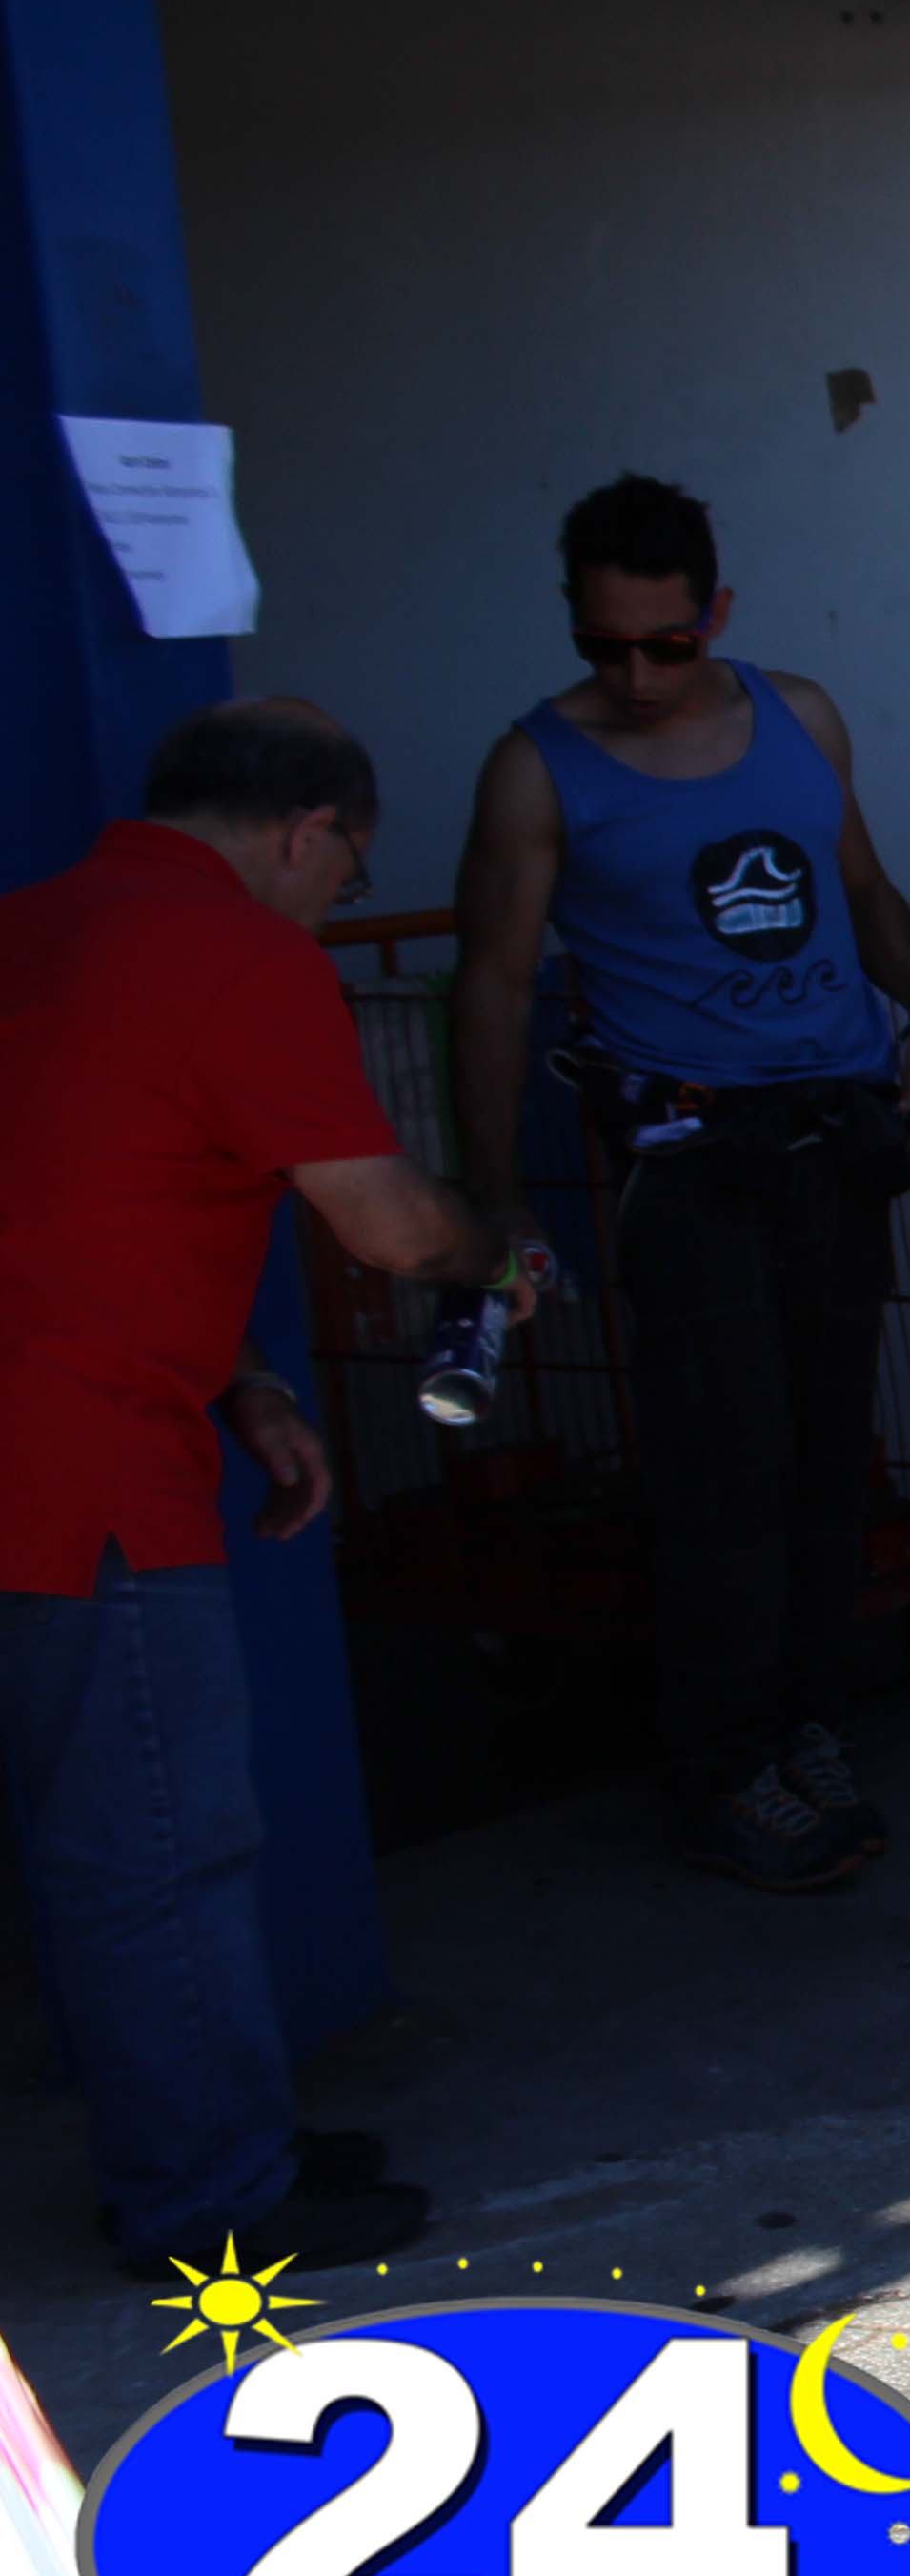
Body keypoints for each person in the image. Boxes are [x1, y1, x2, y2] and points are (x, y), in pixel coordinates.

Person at [2, 702, 506, 2273]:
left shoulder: (31, 930)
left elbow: (85, 1187)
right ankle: (209, 2193)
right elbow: (388, 1224)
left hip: (60, 1433)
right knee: (156, 1846)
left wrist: (249, 1384)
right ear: (310, 829)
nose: (339, 899)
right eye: (350, 871)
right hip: (83, 1472)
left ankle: (222, 2138)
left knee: (123, 1840)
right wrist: (494, 1246)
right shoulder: (239, 957)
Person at [448, 474, 910, 1891]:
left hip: (831, 1136)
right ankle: (722, 1766)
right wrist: (494, 1192)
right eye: (604, 646)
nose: (634, 676)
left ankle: (806, 1724)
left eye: (667, 645)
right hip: (687, 1160)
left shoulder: (797, 719)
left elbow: (861, 889)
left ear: (718, 614)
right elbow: (493, 985)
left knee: (825, 1456)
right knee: (720, 1472)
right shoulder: (539, 768)